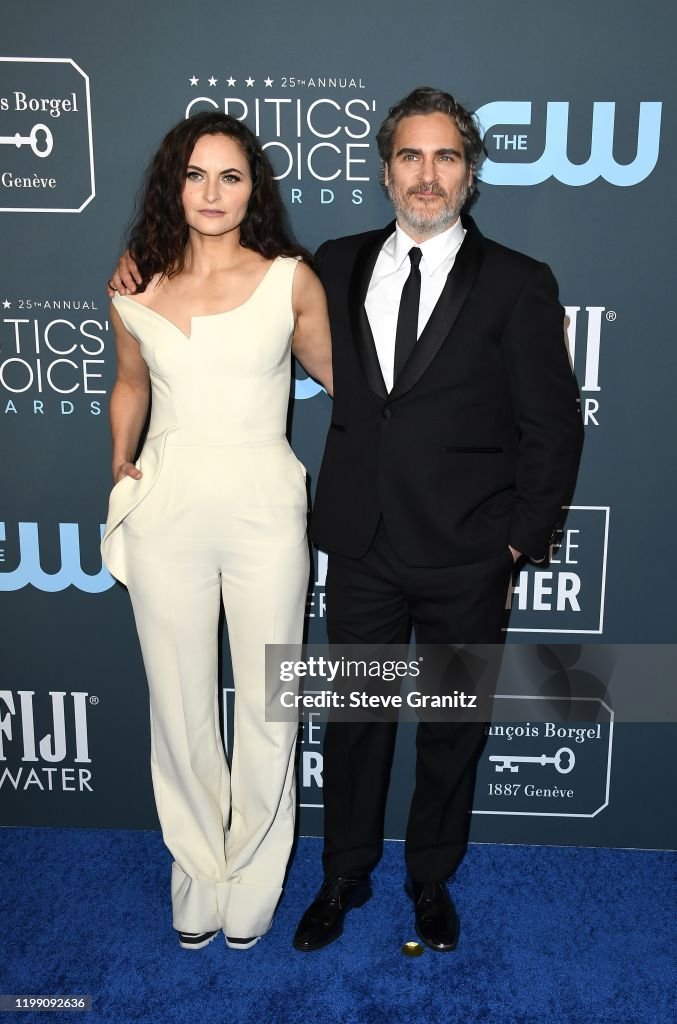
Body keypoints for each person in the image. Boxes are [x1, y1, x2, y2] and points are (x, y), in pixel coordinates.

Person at [292, 86, 584, 953]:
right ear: (384, 170)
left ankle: (429, 878)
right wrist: (144, 272)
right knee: (355, 726)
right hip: (362, 543)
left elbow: (552, 424)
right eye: (410, 157)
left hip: (467, 551)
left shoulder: (518, 282)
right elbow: (230, 288)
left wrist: (517, 541)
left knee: (453, 726)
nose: (427, 176)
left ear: (470, 174)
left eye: (445, 157)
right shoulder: (333, 263)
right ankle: (344, 872)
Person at [101, 111, 332, 952]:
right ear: (174, 184)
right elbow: (130, 384)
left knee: (271, 704)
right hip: (167, 509)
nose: (211, 193)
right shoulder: (135, 288)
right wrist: (120, 453)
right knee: (181, 704)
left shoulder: (288, 281)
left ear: (253, 189)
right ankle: (199, 867)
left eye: (229, 176)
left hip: (265, 510)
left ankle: (254, 874)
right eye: (195, 175)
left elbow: (353, 386)